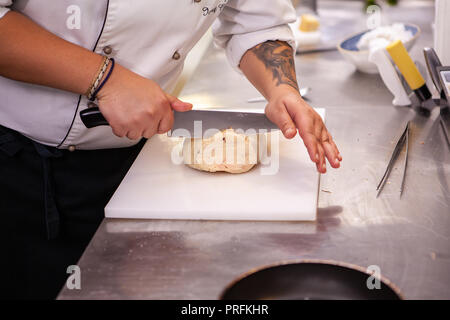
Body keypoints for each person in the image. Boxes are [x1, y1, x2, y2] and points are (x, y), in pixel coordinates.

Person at [0, 0, 342, 299]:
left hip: (134, 162)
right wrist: (106, 79)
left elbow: (256, 20)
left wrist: (283, 90)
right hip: (19, 167)